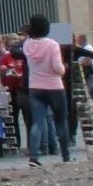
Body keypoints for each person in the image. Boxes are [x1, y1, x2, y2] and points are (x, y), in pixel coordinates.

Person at [21, 16, 68, 166]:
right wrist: (63, 70)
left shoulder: (27, 44)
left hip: (35, 87)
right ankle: (65, 155)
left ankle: (34, 157)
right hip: (54, 86)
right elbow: (57, 68)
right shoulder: (52, 44)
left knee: (37, 122)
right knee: (60, 122)